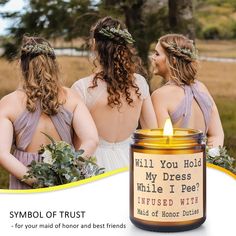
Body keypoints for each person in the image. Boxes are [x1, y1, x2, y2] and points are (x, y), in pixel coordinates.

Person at [0, 36, 98, 189]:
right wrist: (69, 171)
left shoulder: (9, 102)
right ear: (54, 65)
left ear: (21, 65)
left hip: (25, 178)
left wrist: (37, 181)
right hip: (65, 181)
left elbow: (2, 154)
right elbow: (91, 139)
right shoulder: (72, 97)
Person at [72, 17, 157, 171]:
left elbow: (76, 141)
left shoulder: (82, 88)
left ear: (95, 45)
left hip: (94, 164)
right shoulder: (140, 83)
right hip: (132, 162)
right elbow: (152, 132)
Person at [151, 33, 224, 147]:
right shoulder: (202, 88)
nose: (152, 57)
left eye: (157, 54)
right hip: (202, 162)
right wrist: (209, 158)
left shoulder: (160, 96)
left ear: (173, 60)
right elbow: (217, 135)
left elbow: (163, 142)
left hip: (175, 163)